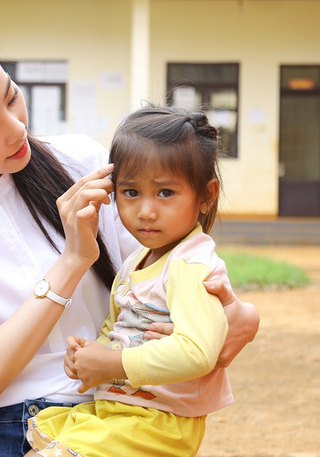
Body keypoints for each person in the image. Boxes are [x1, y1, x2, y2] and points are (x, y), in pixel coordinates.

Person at [0, 17, 259, 457]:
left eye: (12, 97)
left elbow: (164, 281)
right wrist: (72, 260)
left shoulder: (84, 163)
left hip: (114, 420)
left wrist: (240, 315)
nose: (17, 129)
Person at [25, 104, 238, 457]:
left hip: (157, 422)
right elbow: (117, 323)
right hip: (123, 412)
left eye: (166, 193)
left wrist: (111, 364)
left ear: (206, 195)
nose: (145, 211)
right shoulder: (135, 261)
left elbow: (198, 353)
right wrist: (89, 355)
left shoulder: (190, 264)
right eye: (131, 192)